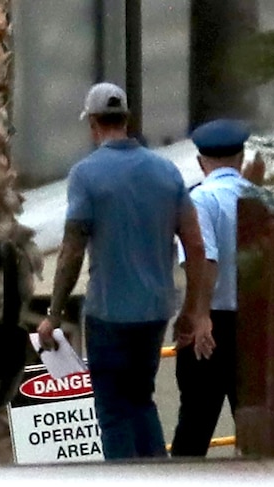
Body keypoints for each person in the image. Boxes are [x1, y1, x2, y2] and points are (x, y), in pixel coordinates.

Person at [37, 82, 213, 460]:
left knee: (114, 412)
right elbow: (196, 246)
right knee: (141, 400)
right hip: (155, 310)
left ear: (93, 123)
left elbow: (71, 249)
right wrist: (193, 310)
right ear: (127, 119)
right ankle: (158, 485)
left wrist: (54, 313)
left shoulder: (86, 175)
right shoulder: (167, 172)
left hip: (108, 312)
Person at [171, 118, 274, 458]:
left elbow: (205, 259)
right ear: (241, 156)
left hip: (213, 321)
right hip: (255, 322)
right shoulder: (265, 198)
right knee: (255, 425)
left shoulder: (201, 199)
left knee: (195, 423)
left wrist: (198, 315)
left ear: (201, 162)